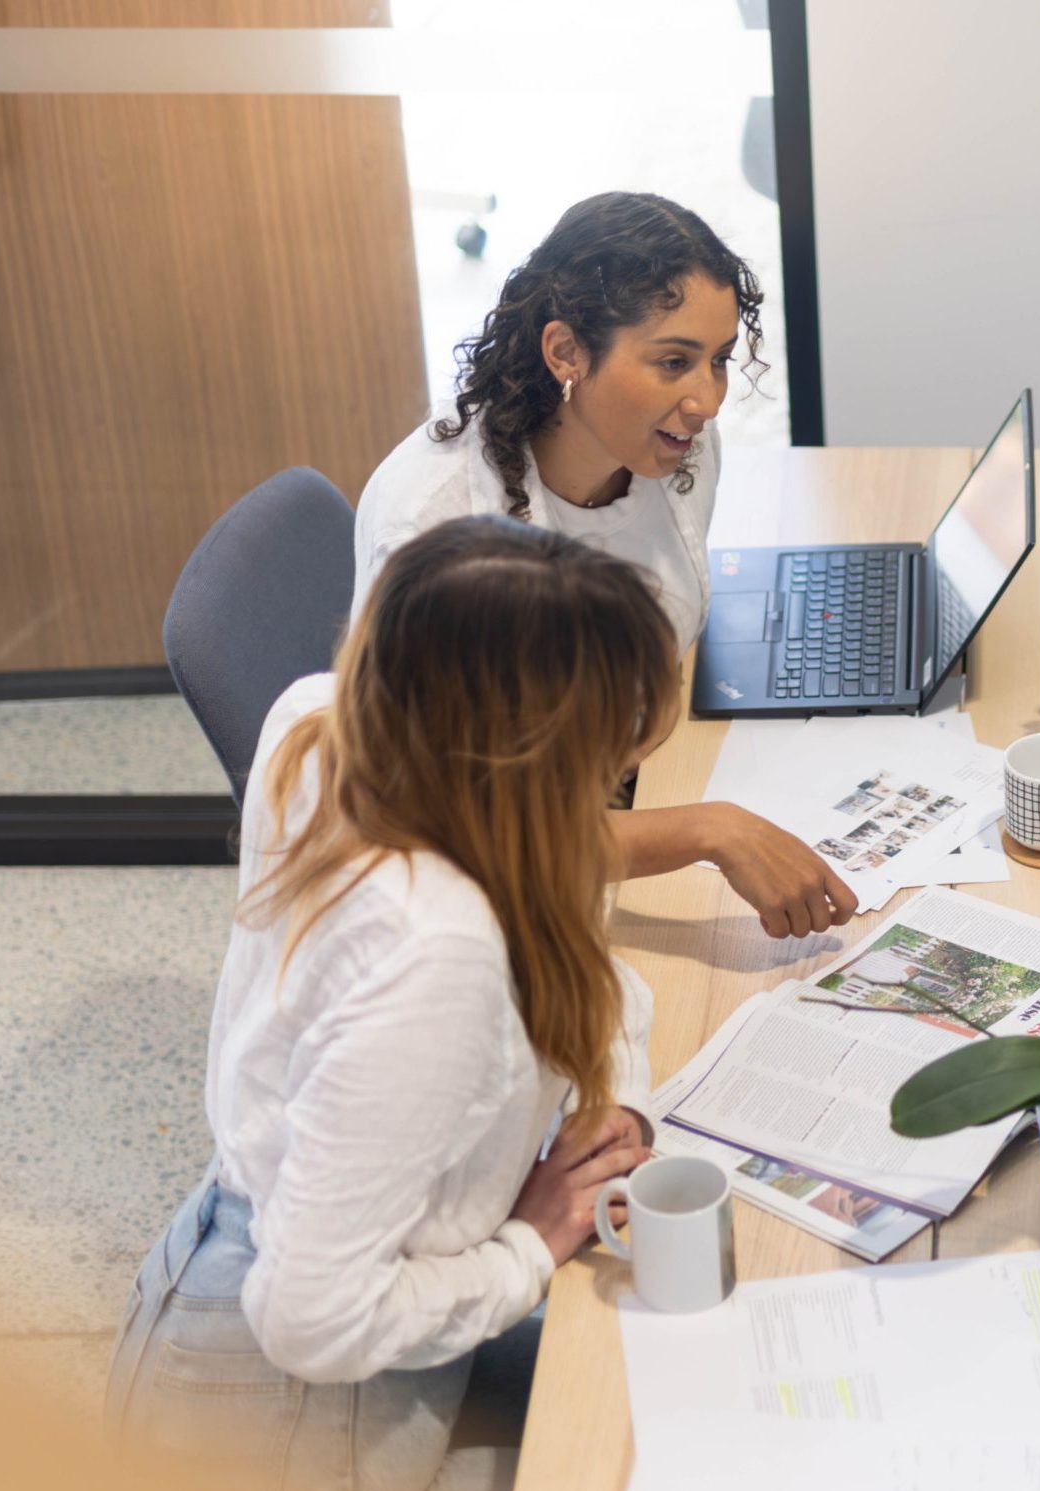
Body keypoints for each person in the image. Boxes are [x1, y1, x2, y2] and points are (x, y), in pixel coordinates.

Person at [107, 518, 679, 1491]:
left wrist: (621, 1104)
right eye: (607, 749)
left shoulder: (324, 724)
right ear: (522, 756)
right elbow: (313, 1320)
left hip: (262, 1269)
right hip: (309, 1415)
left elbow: (582, 961)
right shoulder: (439, 951)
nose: (614, 781)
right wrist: (536, 1238)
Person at [356, 190, 853, 939]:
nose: (707, 400)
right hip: (499, 869)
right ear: (566, 353)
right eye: (673, 361)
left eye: (718, 361)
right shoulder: (437, 527)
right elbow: (461, 831)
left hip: (632, 772)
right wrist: (706, 831)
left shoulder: (669, 445)